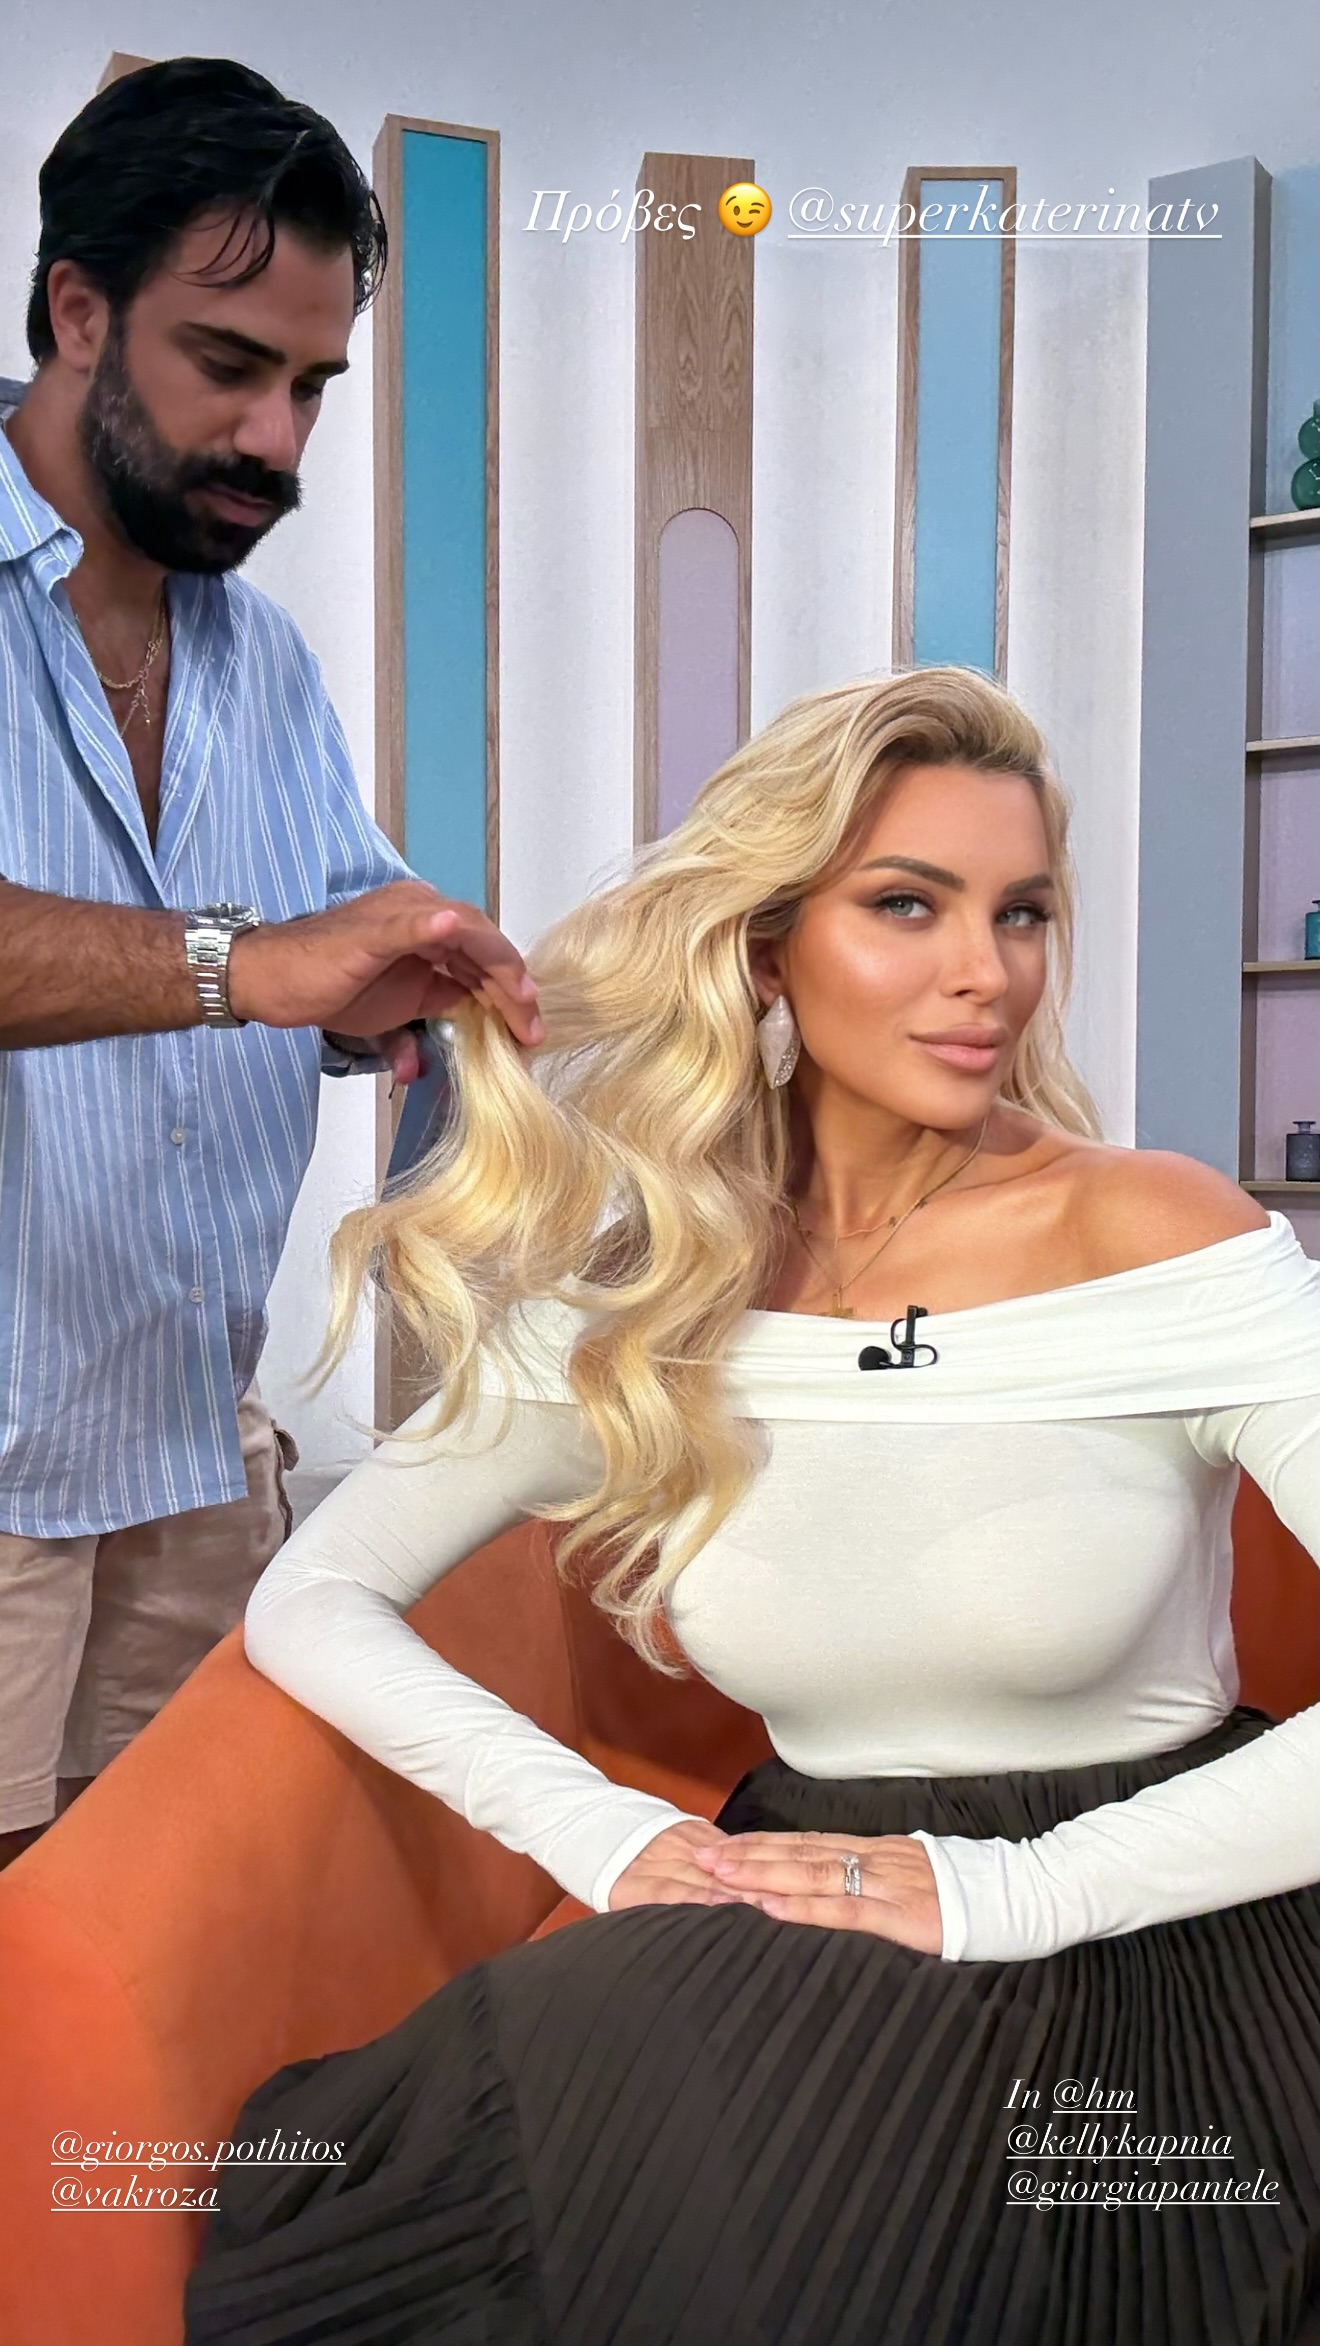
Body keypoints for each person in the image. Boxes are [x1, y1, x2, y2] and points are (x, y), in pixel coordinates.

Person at [184, 667, 1320, 2345]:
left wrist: (1010, 1891)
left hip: (1164, 1924)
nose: (986, 972)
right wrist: (605, 1832)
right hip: (800, 1907)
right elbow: (314, 1594)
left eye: (1020, 912)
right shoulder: (652, 1288)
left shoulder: (1157, 1238)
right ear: (770, 945)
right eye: (907, 904)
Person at [0, 58, 542, 1870]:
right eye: (228, 365)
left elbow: (349, 953)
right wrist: (252, 962)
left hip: (187, 1450)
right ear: (80, 310)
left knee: (155, 1955)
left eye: (311, 385)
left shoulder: (264, 662)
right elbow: (255, 959)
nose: (279, 443)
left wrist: (400, 988)